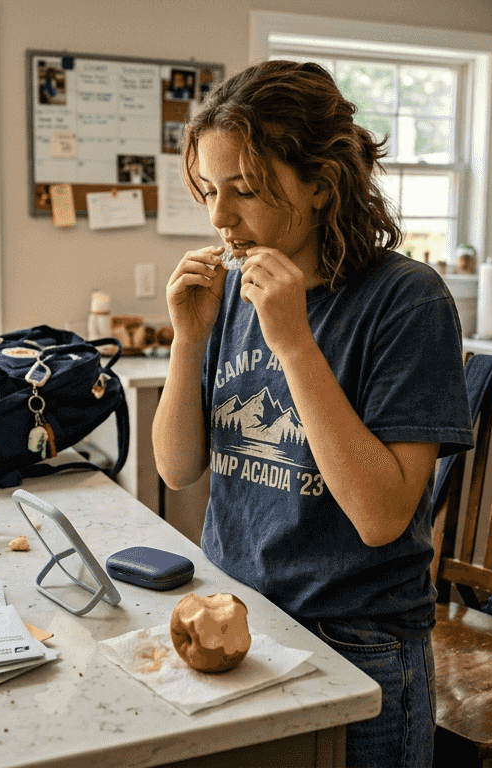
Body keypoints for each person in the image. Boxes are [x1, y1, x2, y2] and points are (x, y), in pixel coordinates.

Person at [151, 59, 473, 768]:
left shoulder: (406, 302)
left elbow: (381, 515)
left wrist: (294, 343)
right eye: (209, 190)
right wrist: (189, 338)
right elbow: (177, 470)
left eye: (245, 191)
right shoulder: (239, 288)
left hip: (358, 644)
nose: (218, 216)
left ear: (322, 187)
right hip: (244, 620)